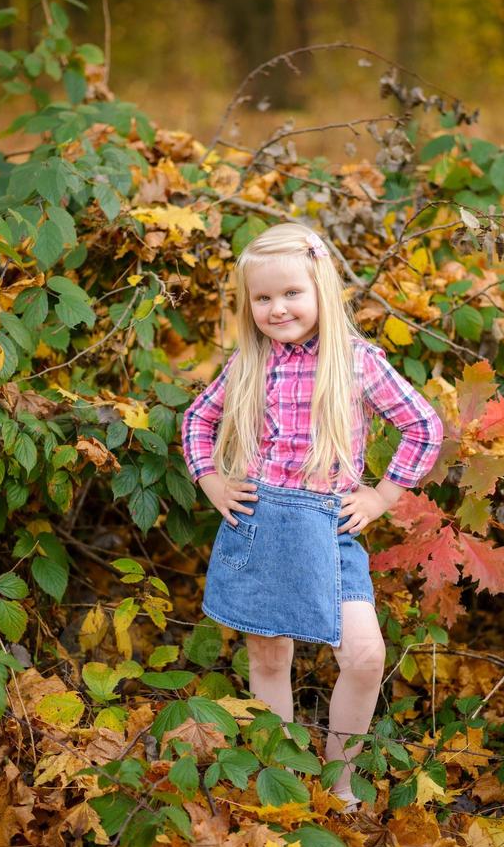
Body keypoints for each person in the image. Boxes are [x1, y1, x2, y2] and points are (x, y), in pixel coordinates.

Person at [180, 222, 443, 812]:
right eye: (263, 297)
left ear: (321, 287)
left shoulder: (355, 363)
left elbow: (424, 427)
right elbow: (196, 421)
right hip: (260, 523)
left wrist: (380, 497)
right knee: (269, 656)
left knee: (365, 654)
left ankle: (338, 779)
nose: (278, 308)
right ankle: (281, 780)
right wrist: (213, 481)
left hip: (329, 527)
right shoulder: (248, 363)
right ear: (248, 304)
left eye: (291, 293)